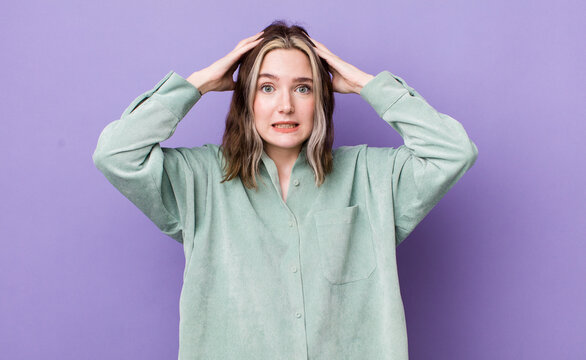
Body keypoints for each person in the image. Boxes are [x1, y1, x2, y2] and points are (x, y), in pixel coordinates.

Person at [93, 20, 478, 360]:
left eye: (304, 89)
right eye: (266, 87)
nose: (285, 106)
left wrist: (367, 85)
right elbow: (116, 154)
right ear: (246, 99)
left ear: (321, 100)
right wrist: (199, 84)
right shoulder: (200, 180)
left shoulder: (372, 177)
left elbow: (452, 152)